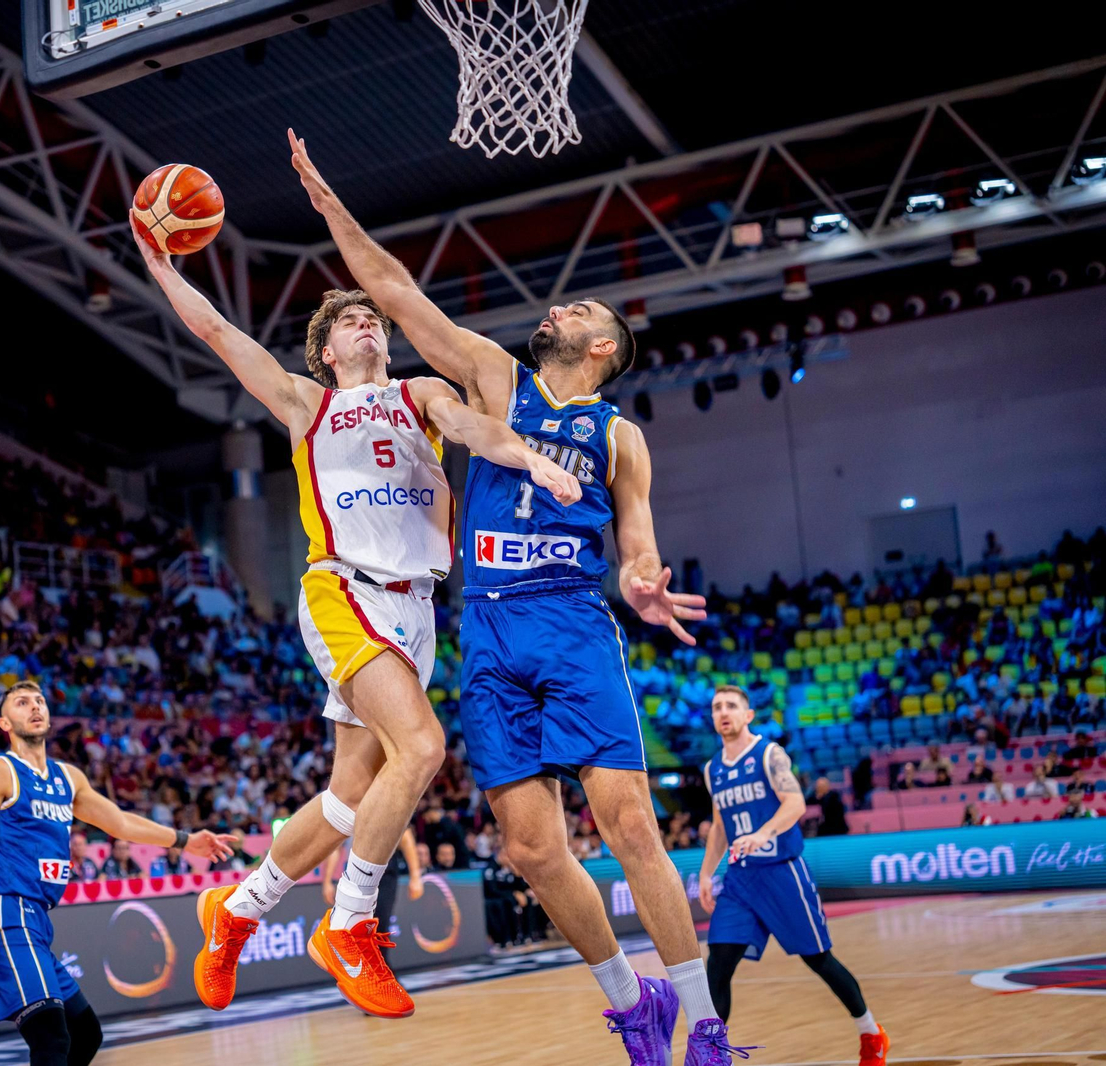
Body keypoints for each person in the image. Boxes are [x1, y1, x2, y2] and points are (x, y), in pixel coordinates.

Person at [288, 130, 740, 1064]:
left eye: (579, 308)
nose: (558, 306)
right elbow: (399, 295)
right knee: (531, 849)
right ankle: (632, 1003)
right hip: (490, 631)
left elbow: (639, 544)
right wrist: (333, 213)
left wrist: (643, 581)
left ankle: (704, 1027)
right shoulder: (496, 377)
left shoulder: (619, 437)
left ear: (601, 345)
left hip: (572, 622)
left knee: (629, 824)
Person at [138, 215, 580, 1021]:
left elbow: (472, 428)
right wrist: (163, 268)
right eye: (349, 320)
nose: (366, 322)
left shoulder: (421, 394)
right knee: (423, 747)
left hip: (417, 607)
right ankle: (349, 924)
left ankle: (236, 909)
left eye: (371, 315)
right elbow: (219, 333)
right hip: (345, 589)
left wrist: (528, 457)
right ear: (328, 352)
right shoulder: (306, 402)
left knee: (349, 795)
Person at [0, 681, 238, 1066]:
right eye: (21, 703)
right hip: (6, 914)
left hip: (37, 921)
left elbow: (120, 822)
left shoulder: (68, 778)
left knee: (85, 1034)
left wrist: (186, 841)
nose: (34, 707)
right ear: (4, 722)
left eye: (39, 701)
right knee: (51, 1037)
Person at [699, 686, 888, 1066]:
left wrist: (763, 833)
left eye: (731, 706)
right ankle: (711, 1056)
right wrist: (706, 874)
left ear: (748, 715)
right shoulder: (712, 769)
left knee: (818, 959)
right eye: (717, 707)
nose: (723, 712)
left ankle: (871, 1033)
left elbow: (796, 802)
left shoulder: (769, 754)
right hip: (740, 879)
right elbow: (720, 825)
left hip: (782, 871)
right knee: (717, 962)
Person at [323, 827, 424, 957]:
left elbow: (406, 837)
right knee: (353, 927)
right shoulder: (351, 816)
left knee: (379, 926)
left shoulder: (387, 814)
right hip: (356, 877)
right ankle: (359, 965)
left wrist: (415, 877)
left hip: (384, 875)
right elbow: (336, 846)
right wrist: (327, 882)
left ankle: (380, 964)